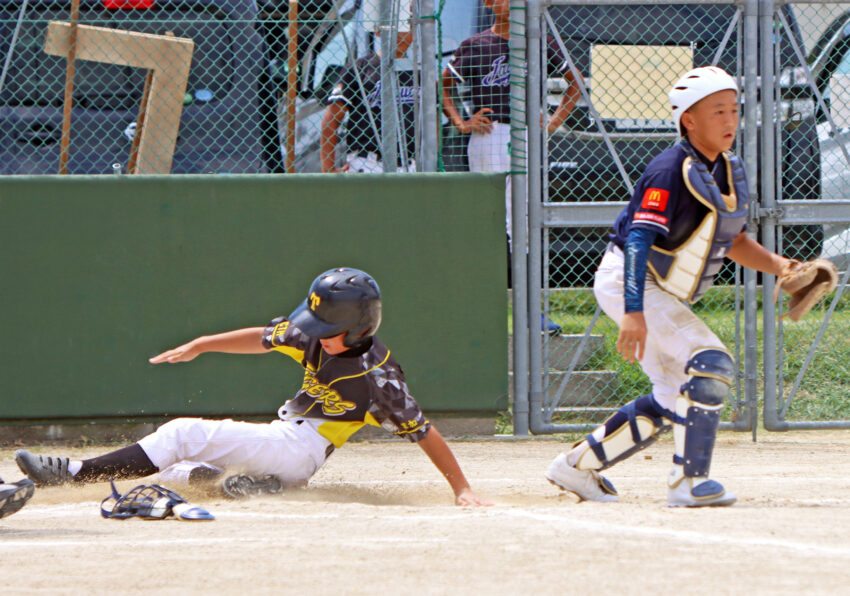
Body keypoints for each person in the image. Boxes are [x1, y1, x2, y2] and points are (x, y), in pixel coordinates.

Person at [14, 268, 492, 507]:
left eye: (324, 323)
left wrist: (463, 490)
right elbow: (263, 338)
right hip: (286, 447)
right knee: (180, 472)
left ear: (355, 328)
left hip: (302, 448)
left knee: (182, 432)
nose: (309, 329)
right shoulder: (315, 334)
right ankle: (255, 486)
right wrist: (203, 344)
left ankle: (73, 472)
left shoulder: (378, 379)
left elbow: (424, 430)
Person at [545, 66, 796, 507]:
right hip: (629, 278)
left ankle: (576, 467)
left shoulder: (725, 170)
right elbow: (639, 239)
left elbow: (734, 240)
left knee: (671, 395)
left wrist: (783, 267)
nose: (729, 120)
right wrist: (634, 311)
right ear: (689, 121)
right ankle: (688, 483)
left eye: (734, 110)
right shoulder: (668, 169)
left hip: (650, 285)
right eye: (717, 111)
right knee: (711, 362)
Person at [441, 0, 579, 335]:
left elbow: (575, 83)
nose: (508, 3)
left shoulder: (537, 40)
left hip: (526, 134)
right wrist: (460, 121)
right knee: (487, 221)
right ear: (488, 3)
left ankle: (532, 311)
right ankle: (479, 309)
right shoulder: (474, 45)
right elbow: (443, 83)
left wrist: (552, 123)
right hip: (488, 134)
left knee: (526, 222)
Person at [320, 31, 416, 173]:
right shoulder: (361, 67)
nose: (400, 35)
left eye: (406, 26)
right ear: (378, 31)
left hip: (410, 163)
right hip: (367, 162)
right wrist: (328, 170)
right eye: (394, 28)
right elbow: (332, 118)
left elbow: (433, 119)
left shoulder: (419, 71)